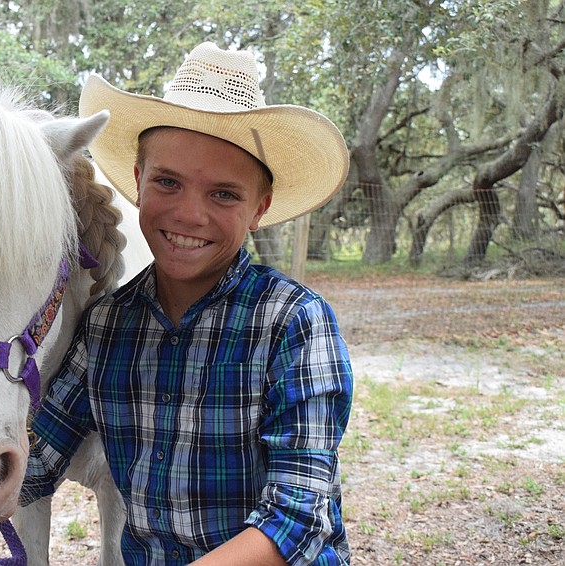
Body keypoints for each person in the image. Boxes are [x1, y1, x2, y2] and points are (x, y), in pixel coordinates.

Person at [22, 42, 353, 566]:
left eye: (224, 194)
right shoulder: (107, 325)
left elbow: (297, 517)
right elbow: (34, 465)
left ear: (259, 209)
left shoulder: (294, 323)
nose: (189, 215)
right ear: (137, 182)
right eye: (168, 182)